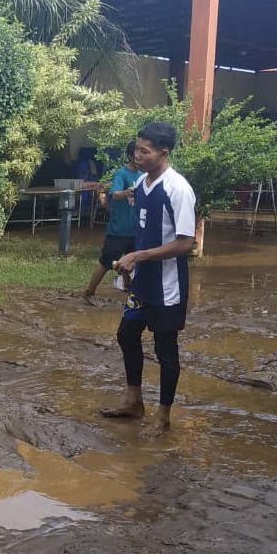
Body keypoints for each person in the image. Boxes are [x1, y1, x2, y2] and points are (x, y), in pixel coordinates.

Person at [98, 122, 196, 438]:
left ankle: (163, 416)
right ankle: (134, 400)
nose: (137, 155)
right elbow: (144, 232)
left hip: (168, 286)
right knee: (127, 334)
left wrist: (139, 257)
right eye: (137, 149)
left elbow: (185, 243)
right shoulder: (141, 184)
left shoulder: (177, 188)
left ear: (163, 153)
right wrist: (130, 265)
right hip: (141, 282)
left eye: (145, 150)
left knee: (166, 350)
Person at [83, 141, 141, 305]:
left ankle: (130, 292)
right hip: (118, 230)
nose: (141, 157)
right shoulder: (122, 174)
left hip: (135, 230)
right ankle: (89, 292)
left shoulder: (143, 175)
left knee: (132, 263)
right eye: (138, 154)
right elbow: (114, 195)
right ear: (131, 156)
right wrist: (126, 192)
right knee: (106, 262)